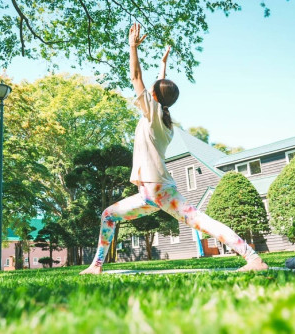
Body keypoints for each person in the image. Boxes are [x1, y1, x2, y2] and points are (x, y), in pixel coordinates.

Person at [80, 23, 268, 275]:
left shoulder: (153, 113)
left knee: (201, 222)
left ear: (154, 97)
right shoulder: (163, 117)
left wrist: (132, 47)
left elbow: (136, 77)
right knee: (109, 215)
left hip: (156, 190)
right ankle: (96, 266)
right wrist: (163, 64)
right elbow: (160, 88)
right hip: (151, 192)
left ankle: (253, 257)